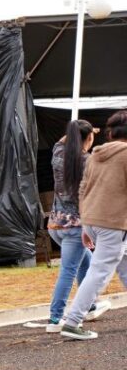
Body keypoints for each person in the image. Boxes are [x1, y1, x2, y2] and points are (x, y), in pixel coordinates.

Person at [61, 110, 127, 340]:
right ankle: (73, 321)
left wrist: (86, 224)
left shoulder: (95, 155)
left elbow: (82, 190)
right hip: (114, 223)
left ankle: (72, 319)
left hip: (93, 221)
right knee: (99, 273)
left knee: (124, 265)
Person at [42, 120, 109, 332]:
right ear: (87, 139)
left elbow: (63, 140)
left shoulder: (58, 154)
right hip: (76, 227)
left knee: (84, 264)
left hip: (55, 225)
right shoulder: (88, 160)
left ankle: (89, 307)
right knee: (69, 270)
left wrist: (81, 130)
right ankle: (55, 318)